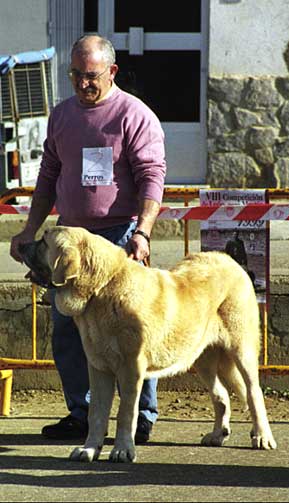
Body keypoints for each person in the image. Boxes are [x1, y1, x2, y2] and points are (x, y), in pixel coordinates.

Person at [10, 34, 167, 444]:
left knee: (132, 329)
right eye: (76, 75)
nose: (83, 83)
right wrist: (30, 230)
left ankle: (140, 416)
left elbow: (153, 177)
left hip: (119, 237)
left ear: (111, 71)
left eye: (92, 76)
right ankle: (81, 413)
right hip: (69, 243)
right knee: (69, 329)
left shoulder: (134, 115)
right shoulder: (61, 116)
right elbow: (47, 177)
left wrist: (143, 232)